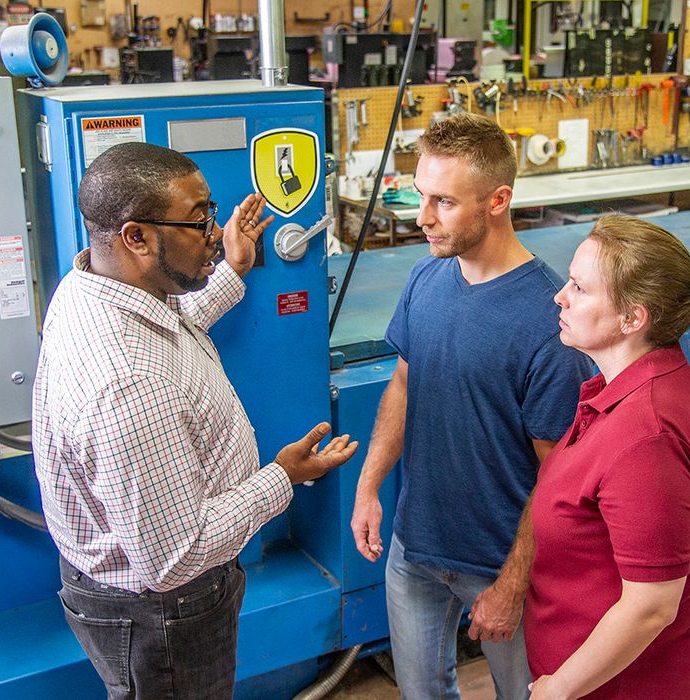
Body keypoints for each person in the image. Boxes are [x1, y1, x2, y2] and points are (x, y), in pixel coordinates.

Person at [32, 142, 358, 699]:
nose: (214, 230)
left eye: (212, 212)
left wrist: (230, 266)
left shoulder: (92, 287)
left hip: (139, 595)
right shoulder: (127, 385)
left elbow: (173, 325)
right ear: (137, 237)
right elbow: (174, 558)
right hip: (164, 610)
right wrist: (283, 476)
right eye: (198, 219)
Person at [349, 113, 593, 699]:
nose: (421, 217)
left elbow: (558, 472)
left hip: (499, 561)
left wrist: (513, 584)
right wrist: (368, 487)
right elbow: (404, 387)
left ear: (497, 200)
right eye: (420, 195)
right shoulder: (426, 279)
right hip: (414, 546)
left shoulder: (548, 321)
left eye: (443, 202)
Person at [524, 215, 690, 699]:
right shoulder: (626, 393)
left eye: (580, 288)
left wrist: (558, 689)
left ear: (633, 318)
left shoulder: (645, 437)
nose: (559, 296)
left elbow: (651, 605)